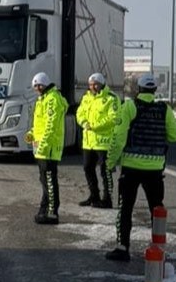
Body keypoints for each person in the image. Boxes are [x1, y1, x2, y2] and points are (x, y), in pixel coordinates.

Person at [104, 73, 176, 261]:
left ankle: (122, 248)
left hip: (131, 167)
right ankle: (158, 246)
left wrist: (110, 162)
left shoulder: (130, 106)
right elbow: (174, 136)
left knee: (125, 208)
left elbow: (119, 138)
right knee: (156, 207)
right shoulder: (164, 109)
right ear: (154, 90)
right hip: (155, 169)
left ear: (138, 89)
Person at [25, 72, 68, 225]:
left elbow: (51, 126)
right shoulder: (42, 99)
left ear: (44, 84)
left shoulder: (52, 99)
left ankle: (52, 213)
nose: (36, 88)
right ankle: (44, 209)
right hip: (42, 148)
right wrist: (31, 134)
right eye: (34, 86)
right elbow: (39, 125)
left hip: (48, 149)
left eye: (38, 85)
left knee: (49, 181)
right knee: (44, 180)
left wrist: (42, 145)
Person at [75, 72, 118, 208]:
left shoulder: (111, 98)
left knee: (105, 171)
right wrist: (84, 123)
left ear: (102, 84)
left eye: (95, 84)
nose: (92, 87)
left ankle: (107, 199)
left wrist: (95, 126)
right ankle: (94, 196)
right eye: (90, 85)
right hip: (88, 142)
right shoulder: (86, 97)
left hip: (103, 142)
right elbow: (79, 113)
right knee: (88, 168)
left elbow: (113, 118)